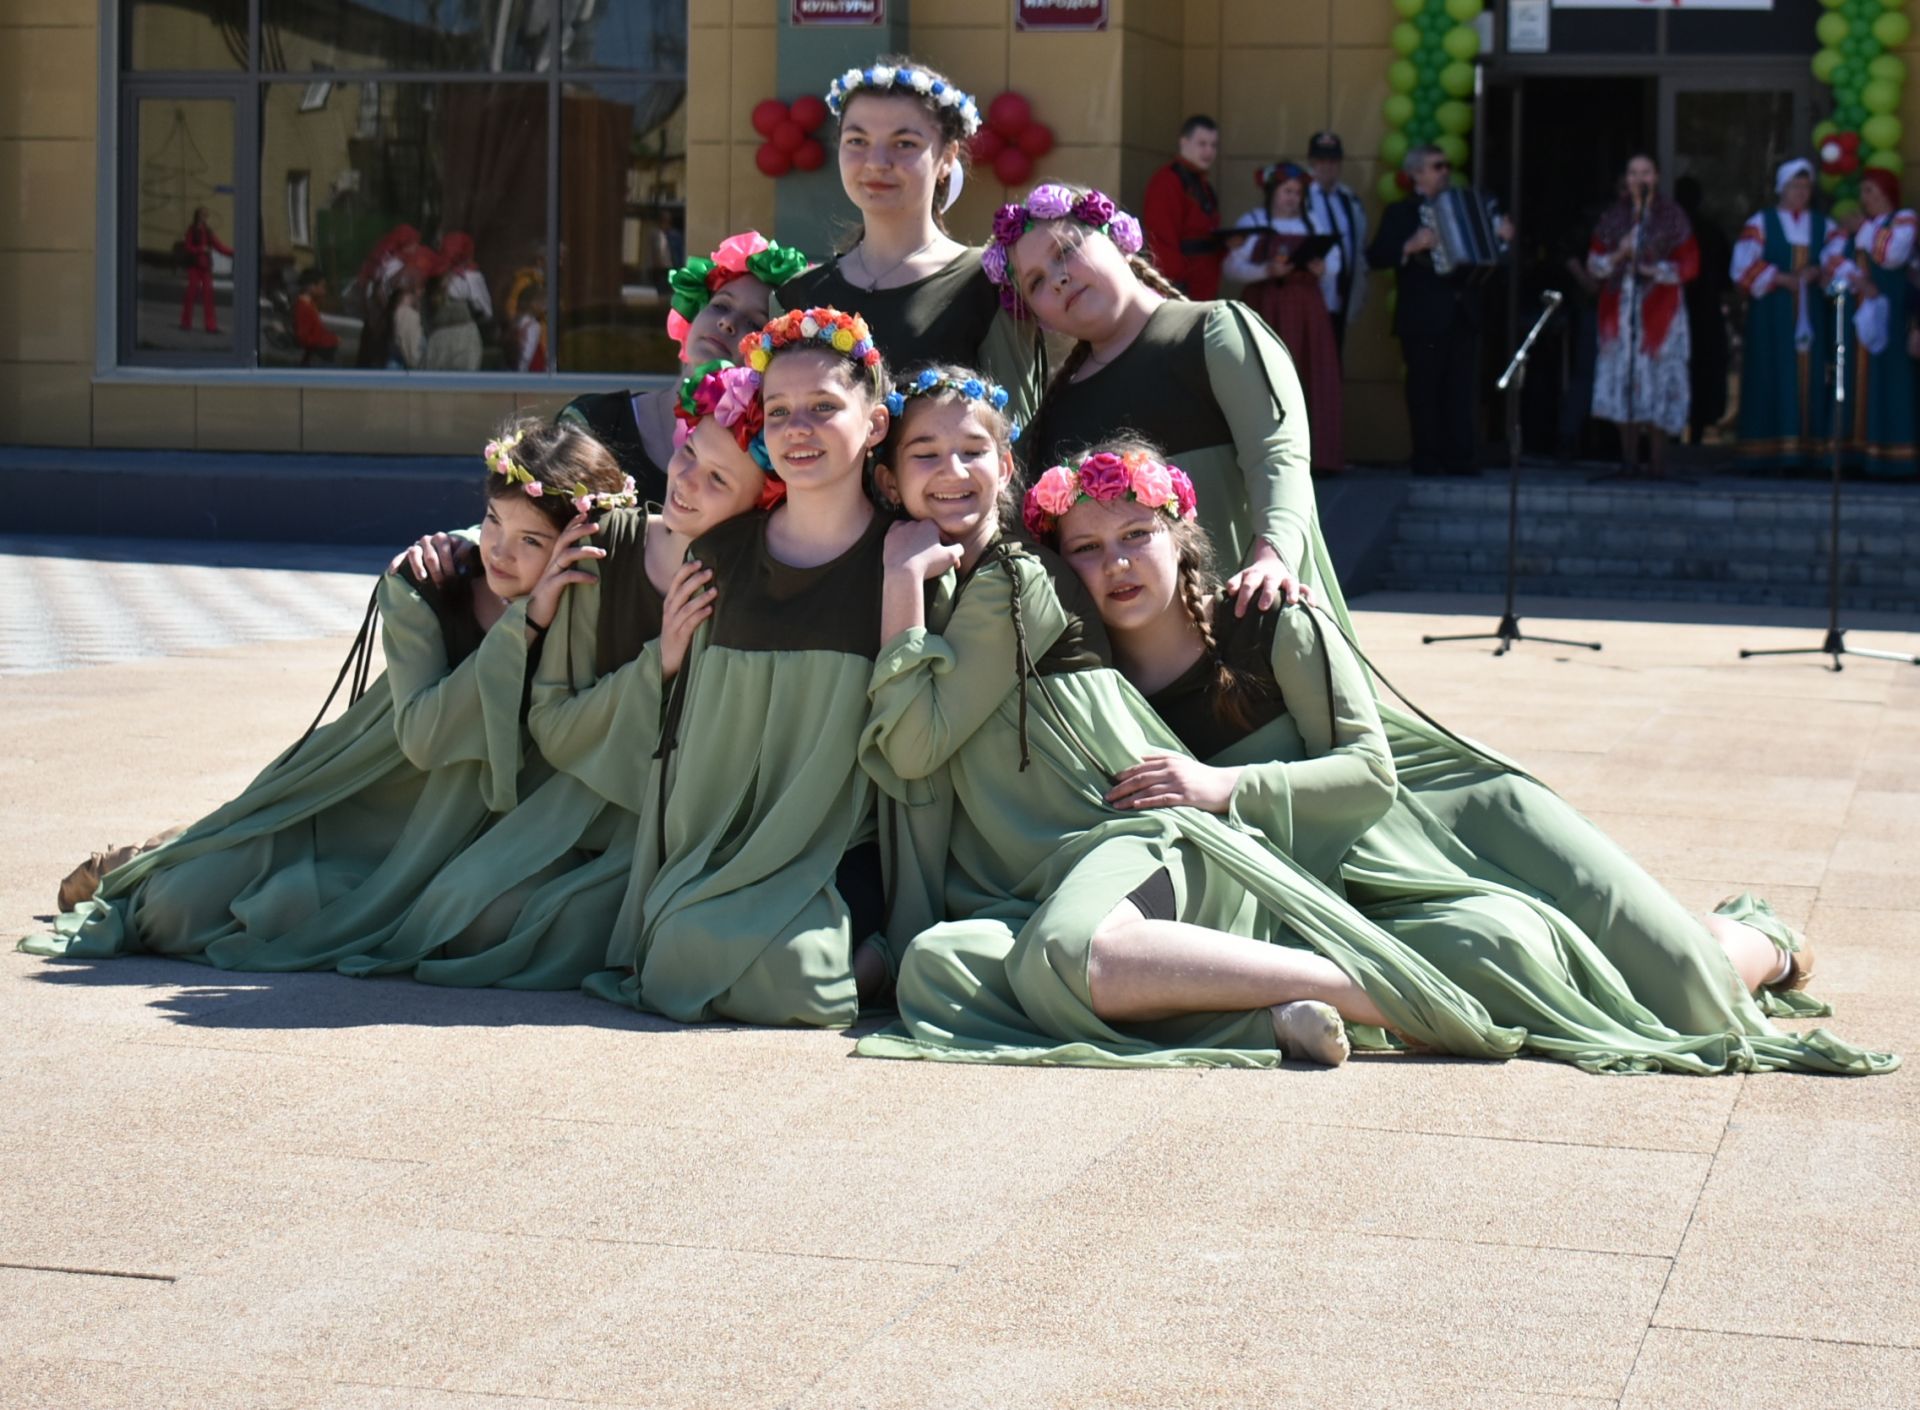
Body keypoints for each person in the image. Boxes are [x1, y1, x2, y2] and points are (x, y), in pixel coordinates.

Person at [1018, 461, 1892, 1074]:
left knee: (1687, 993)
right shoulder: (1098, 685)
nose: (1117, 563)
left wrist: (1224, 785)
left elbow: (1370, 773)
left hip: (1457, 812)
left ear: (1182, 537)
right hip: (1343, 875)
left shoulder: (1272, 619)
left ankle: (1759, 942)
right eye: (1087, 549)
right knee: (1528, 977)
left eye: (1136, 534)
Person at [20, 421, 634, 970]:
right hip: (361, 799)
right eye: (496, 520)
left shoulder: (590, 601)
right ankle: (169, 850)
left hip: (484, 834)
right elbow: (423, 736)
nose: (499, 549)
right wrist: (523, 624)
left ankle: (187, 849)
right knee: (170, 913)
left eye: (531, 540)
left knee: (505, 922)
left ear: (577, 541)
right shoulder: (432, 580)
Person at [339, 366, 776, 989]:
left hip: (644, 817)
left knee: (494, 922)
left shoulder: (743, 579)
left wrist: (666, 660)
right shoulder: (588, 551)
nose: (686, 482)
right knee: (438, 910)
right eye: (687, 455)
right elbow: (526, 531)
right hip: (475, 786)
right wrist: (508, 590)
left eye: (718, 478)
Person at [583, 307, 904, 1027]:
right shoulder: (722, 558)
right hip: (723, 849)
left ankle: (882, 958)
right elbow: (691, 738)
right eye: (781, 411)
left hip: (835, 847)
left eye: (824, 407)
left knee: (796, 982)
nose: (799, 428)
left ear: (875, 424)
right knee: (675, 960)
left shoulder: (901, 558)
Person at [987, 183, 1316, 615]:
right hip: (1138, 674)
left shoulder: (1214, 332)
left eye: (1065, 251)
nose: (1059, 279)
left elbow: (1278, 456)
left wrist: (1274, 557)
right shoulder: (1056, 409)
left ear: (1116, 237)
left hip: (1254, 615)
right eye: (1036, 283)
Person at [773, 56, 1046, 424]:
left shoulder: (987, 284)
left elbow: (1017, 436)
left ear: (948, 156)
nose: (877, 162)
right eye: (857, 140)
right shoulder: (795, 297)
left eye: (904, 143)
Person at [562, 231, 807, 505]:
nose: (727, 322)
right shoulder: (594, 423)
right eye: (720, 305)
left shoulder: (767, 466)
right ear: (693, 312)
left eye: (754, 324)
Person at [1366, 144, 1515, 477]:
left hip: (1463, 314)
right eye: (1437, 166)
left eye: (1446, 165)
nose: (1445, 171)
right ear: (1416, 173)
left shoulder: (1467, 205)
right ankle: (1427, 458)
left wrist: (1503, 238)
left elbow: (1492, 255)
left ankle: (1461, 457)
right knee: (1424, 389)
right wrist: (1409, 246)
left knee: (1461, 388)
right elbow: (1376, 256)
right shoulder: (1401, 213)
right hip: (1422, 317)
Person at [1224, 161, 1344, 472]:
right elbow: (1231, 267)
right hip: (1266, 306)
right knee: (1263, 380)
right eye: (1287, 191)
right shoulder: (1254, 221)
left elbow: (1335, 263)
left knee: (1310, 374)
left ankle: (1317, 458)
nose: (1292, 198)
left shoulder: (1313, 223)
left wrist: (1323, 269)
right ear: (1272, 192)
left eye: (1297, 192)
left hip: (1307, 310)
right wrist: (1266, 270)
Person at [1588, 154, 1698, 479]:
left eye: (1646, 173)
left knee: (1659, 380)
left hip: (1661, 314)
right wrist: (1620, 252)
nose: (1640, 179)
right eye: (1633, 172)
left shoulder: (1673, 217)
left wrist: (1654, 269)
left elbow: (1690, 265)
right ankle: (1628, 459)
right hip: (1621, 311)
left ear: (1657, 177)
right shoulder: (1613, 217)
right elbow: (1595, 264)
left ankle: (1658, 461)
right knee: (1624, 380)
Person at [1730, 158, 1834, 472]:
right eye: (1794, 186)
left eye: (1805, 187)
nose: (1801, 192)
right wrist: (1778, 278)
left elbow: (1836, 261)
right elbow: (1741, 268)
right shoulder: (1761, 223)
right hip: (1772, 316)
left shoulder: (1823, 225)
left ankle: (1809, 450)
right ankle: (1768, 452)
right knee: (1771, 373)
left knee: (1813, 375)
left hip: (1812, 313)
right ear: (1781, 188)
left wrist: (1819, 271)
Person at [1830, 168, 1917, 479]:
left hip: (1896, 315)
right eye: (1863, 191)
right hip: (1863, 312)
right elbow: (1836, 262)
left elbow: (1893, 253)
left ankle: (1897, 458)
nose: (1865, 198)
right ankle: (1861, 455)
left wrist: (1864, 229)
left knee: (1892, 380)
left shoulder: (1904, 220)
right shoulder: (1859, 229)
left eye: (1871, 191)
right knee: (1861, 379)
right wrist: (1857, 281)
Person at [1674, 175, 1732, 443]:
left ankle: (1684, 431)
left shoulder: (1705, 231)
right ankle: (1690, 430)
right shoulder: (1673, 231)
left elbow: (1725, 275)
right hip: (1683, 309)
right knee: (1690, 369)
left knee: (1696, 369)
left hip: (1694, 309)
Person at [1141, 115, 1224, 300]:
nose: (1208, 151)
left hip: (1204, 285)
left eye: (1213, 145)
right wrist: (1174, 285)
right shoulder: (1167, 182)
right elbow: (1161, 238)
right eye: (1202, 144)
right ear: (1184, 142)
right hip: (1183, 288)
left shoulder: (1203, 185)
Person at [1304, 130, 1369, 356]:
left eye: (1333, 160)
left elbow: (1358, 246)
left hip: (1341, 295)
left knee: (1332, 361)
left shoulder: (1348, 199)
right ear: (1311, 162)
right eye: (1321, 160)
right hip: (1310, 293)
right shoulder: (1300, 196)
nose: (1327, 166)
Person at [423, 232, 492, 371]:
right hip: (465, 339)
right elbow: (486, 312)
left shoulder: (432, 279)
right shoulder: (471, 277)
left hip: (436, 339)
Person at [179, 206, 232, 334]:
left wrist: (233, 253)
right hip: (194, 267)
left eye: (206, 216)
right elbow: (187, 247)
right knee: (190, 294)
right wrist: (201, 249)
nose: (205, 218)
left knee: (209, 296)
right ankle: (185, 323)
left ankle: (211, 326)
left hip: (205, 268)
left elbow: (219, 246)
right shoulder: (192, 230)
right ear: (198, 216)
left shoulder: (208, 232)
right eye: (203, 215)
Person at [293, 268, 340, 367]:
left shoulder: (310, 305)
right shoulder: (304, 308)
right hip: (317, 357)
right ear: (311, 286)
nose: (324, 290)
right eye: (322, 286)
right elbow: (304, 338)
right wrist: (331, 340)